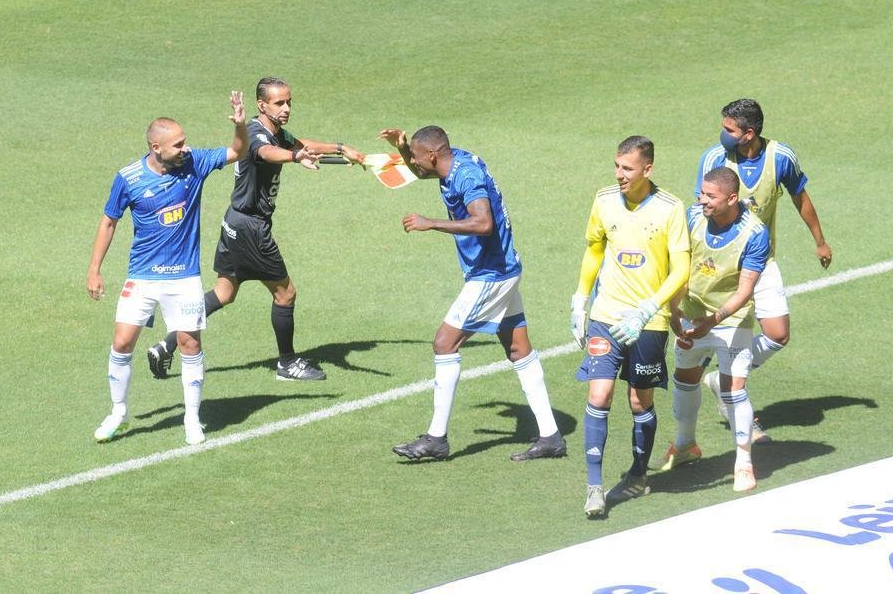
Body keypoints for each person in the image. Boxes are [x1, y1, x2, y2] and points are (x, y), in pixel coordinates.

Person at [145, 77, 366, 382]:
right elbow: (266, 153)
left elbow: (300, 144)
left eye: (289, 102)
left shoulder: (275, 131)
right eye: (279, 103)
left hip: (234, 222)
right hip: (251, 228)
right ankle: (287, 364)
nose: (286, 108)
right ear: (262, 105)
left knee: (223, 293)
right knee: (285, 294)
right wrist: (294, 157)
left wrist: (341, 148)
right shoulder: (254, 133)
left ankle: (165, 346)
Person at [378, 125, 565, 463]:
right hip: (503, 268)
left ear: (432, 154)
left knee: (444, 343)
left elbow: (483, 223)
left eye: (417, 157)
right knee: (519, 349)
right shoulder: (453, 161)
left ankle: (436, 438)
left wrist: (431, 222)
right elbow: (422, 172)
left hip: (491, 274)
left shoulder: (466, 177)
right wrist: (404, 147)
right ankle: (551, 436)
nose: (414, 164)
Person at [86, 91, 247, 446]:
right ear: (156, 147)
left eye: (185, 141)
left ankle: (192, 419)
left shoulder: (196, 163)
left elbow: (238, 151)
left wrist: (239, 125)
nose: (185, 148)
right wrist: (94, 269)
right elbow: (109, 221)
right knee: (122, 342)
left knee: (188, 343)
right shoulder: (129, 178)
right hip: (142, 276)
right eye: (178, 144)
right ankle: (118, 412)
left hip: (184, 277)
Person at [695, 98, 831, 442]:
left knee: (778, 334)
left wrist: (820, 241)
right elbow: (700, 210)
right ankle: (737, 412)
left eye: (729, 129)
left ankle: (721, 381)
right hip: (721, 265)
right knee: (719, 342)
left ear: (749, 133)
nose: (722, 134)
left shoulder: (780, 157)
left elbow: (801, 198)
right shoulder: (714, 159)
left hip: (761, 260)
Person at [571, 136, 691, 518]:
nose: (619, 174)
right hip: (606, 315)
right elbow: (594, 249)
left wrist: (649, 309)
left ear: (647, 169)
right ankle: (594, 487)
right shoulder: (604, 200)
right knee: (599, 395)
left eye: (627, 168)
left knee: (639, 401)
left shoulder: (671, 208)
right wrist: (580, 299)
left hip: (649, 321)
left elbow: (681, 269)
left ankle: (638, 475)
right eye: (617, 166)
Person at [663, 166, 770, 493]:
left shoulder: (754, 233)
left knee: (734, 389)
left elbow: (745, 290)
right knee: (684, 378)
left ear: (732, 198)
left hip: (731, 320)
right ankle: (685, 445)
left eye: (711, 196)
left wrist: (713, 320)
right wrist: (673, 309)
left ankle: (743, 463)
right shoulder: (693, 216)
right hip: (691, 312)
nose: (702, 200)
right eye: (702, 193)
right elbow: (677, 265)